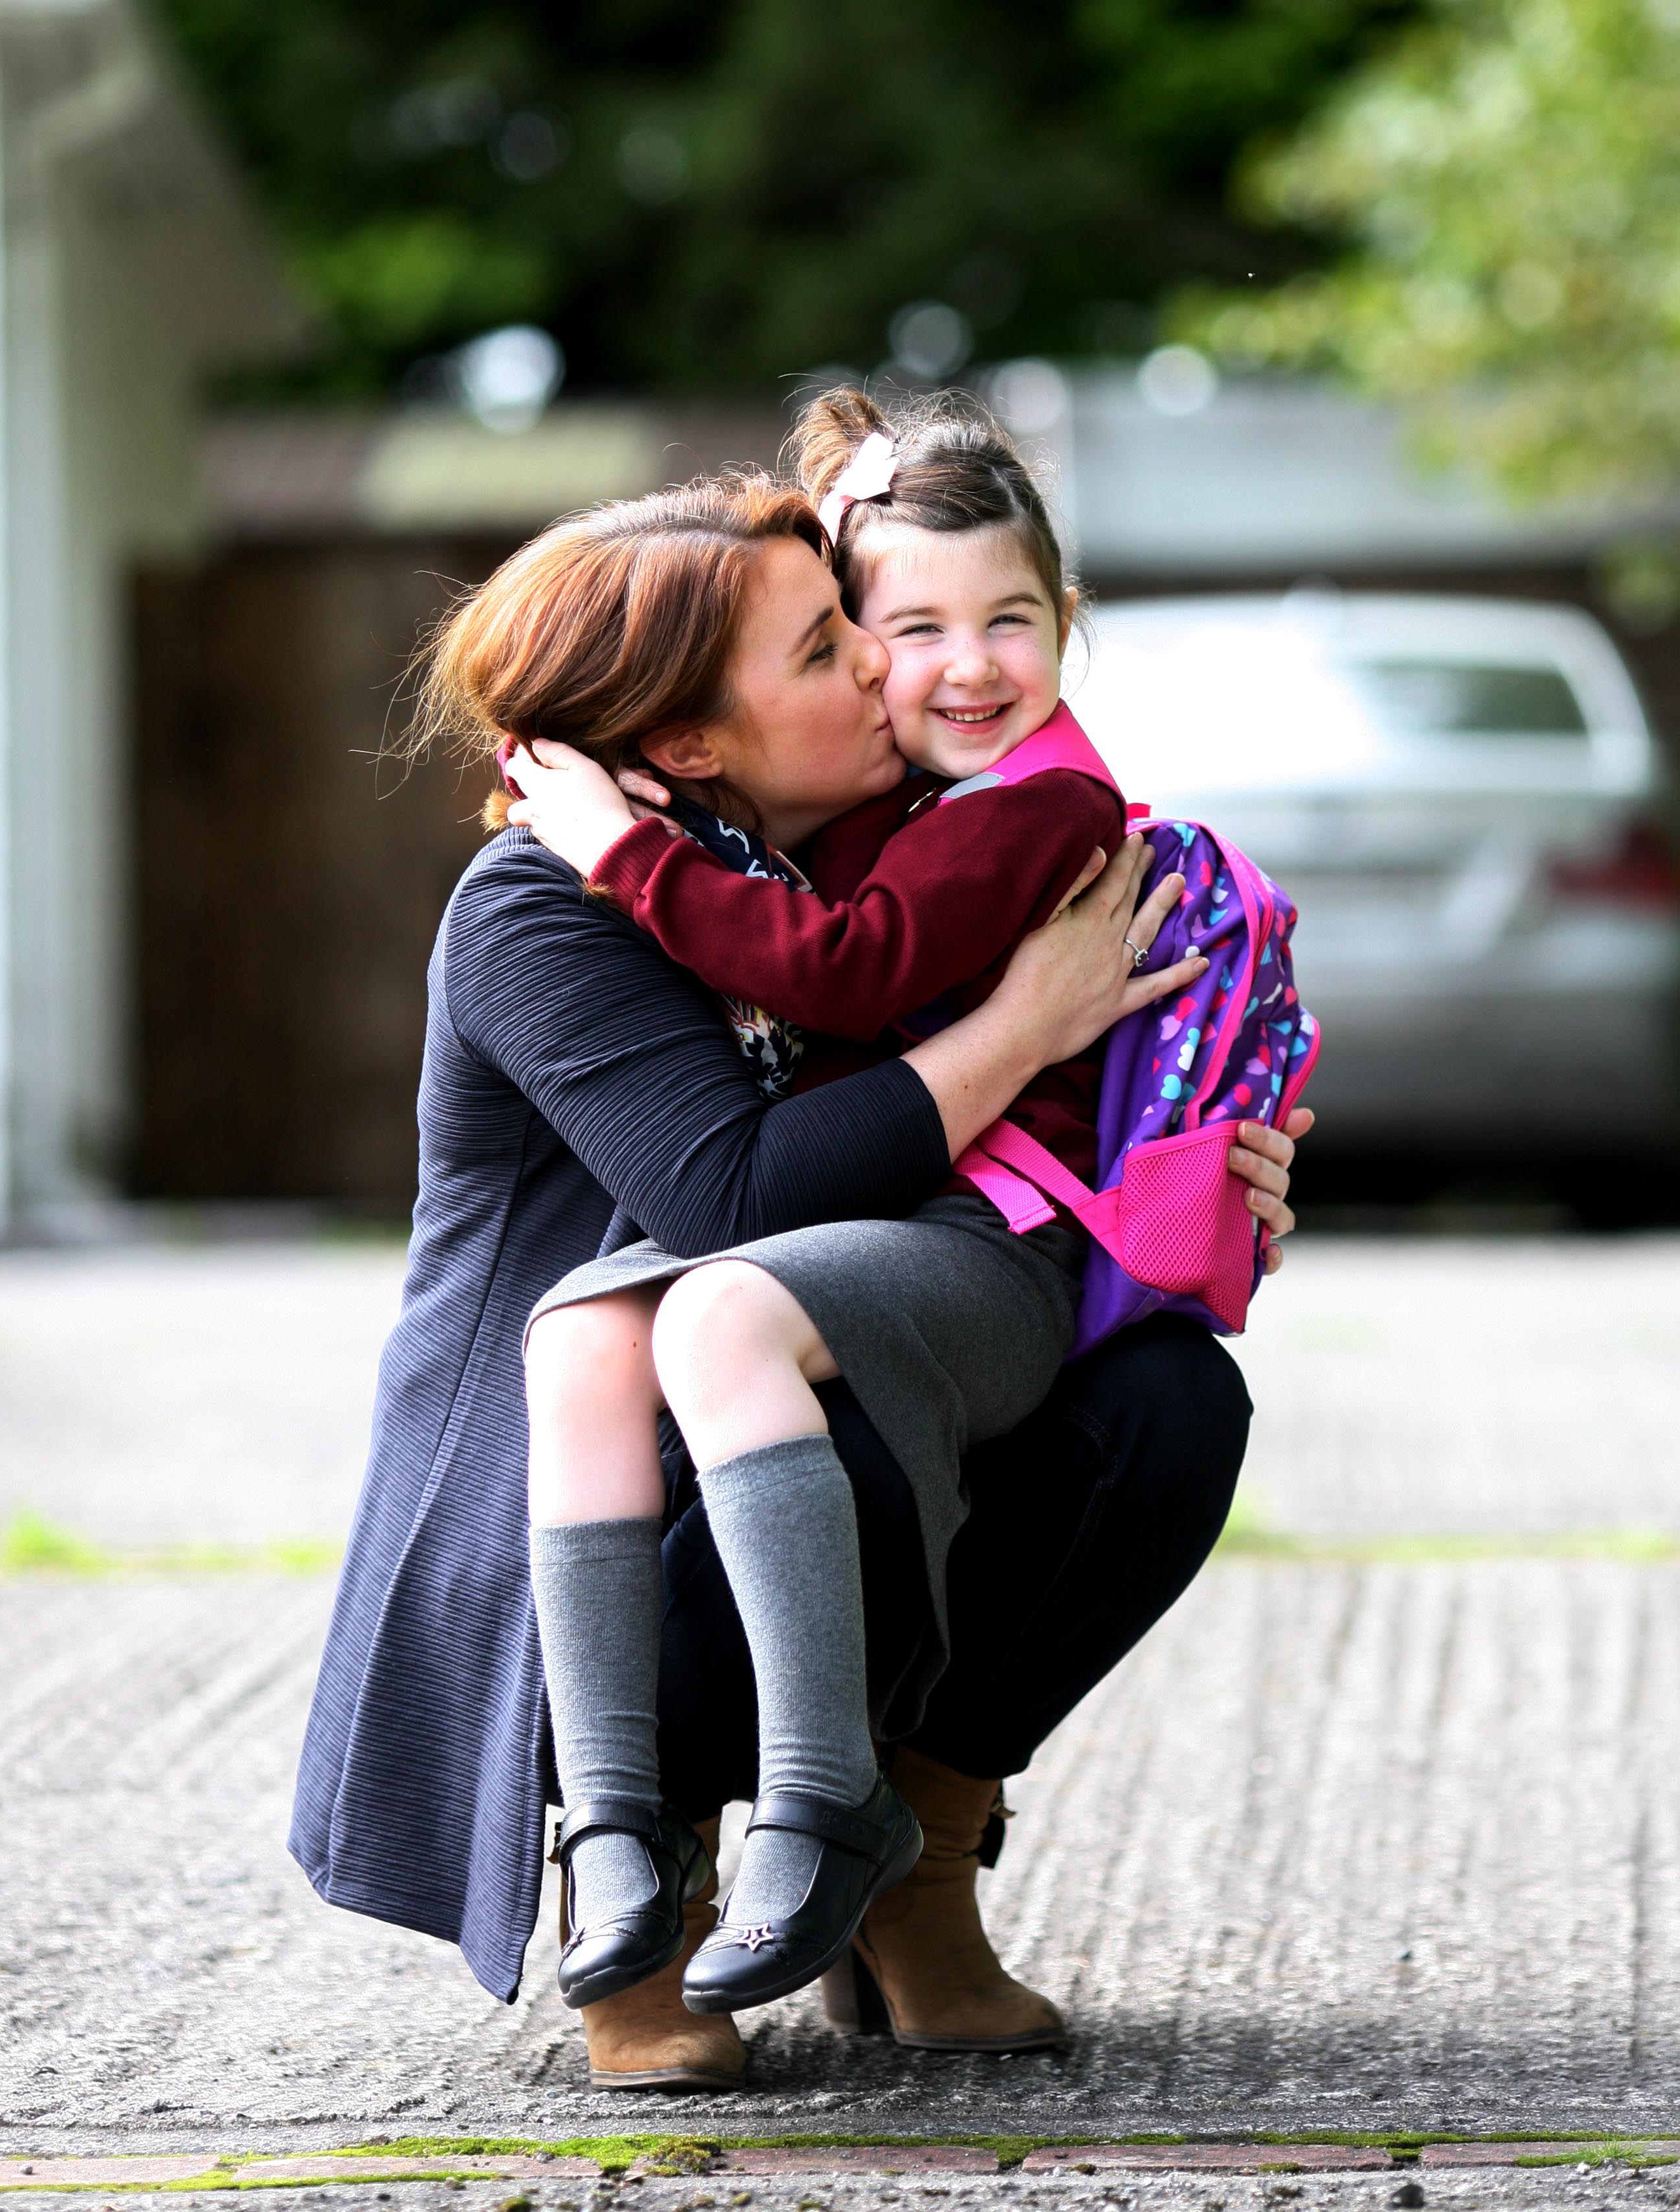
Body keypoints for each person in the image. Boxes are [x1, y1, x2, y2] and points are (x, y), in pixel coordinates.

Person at [291, 468, 1309, 2096]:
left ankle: (913, 1868)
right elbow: (735, 1195)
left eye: (860, 624)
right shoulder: (543, 900)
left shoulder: (859, 857)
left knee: (1161, 1403)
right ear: (690, 740)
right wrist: (1024, 1029)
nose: (883, 665)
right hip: (588, 1475)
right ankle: (646, 1883)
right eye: (832, 646)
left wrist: (1206, 1164)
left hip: (785, 1345)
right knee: (794, 1403)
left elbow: (1061, 1117)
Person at [495, 389, 1220, 2022]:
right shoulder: (866, 810)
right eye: (890, 634)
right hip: (829, 1258)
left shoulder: (1029, 807)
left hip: (974, 1240)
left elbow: (845, 972)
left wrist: (623, 849)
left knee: (725, 1322)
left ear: (1066, 621)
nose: (959, 667)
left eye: (1008, 622)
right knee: (583, 1340)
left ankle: (841, 1817)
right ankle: (621, 1828)